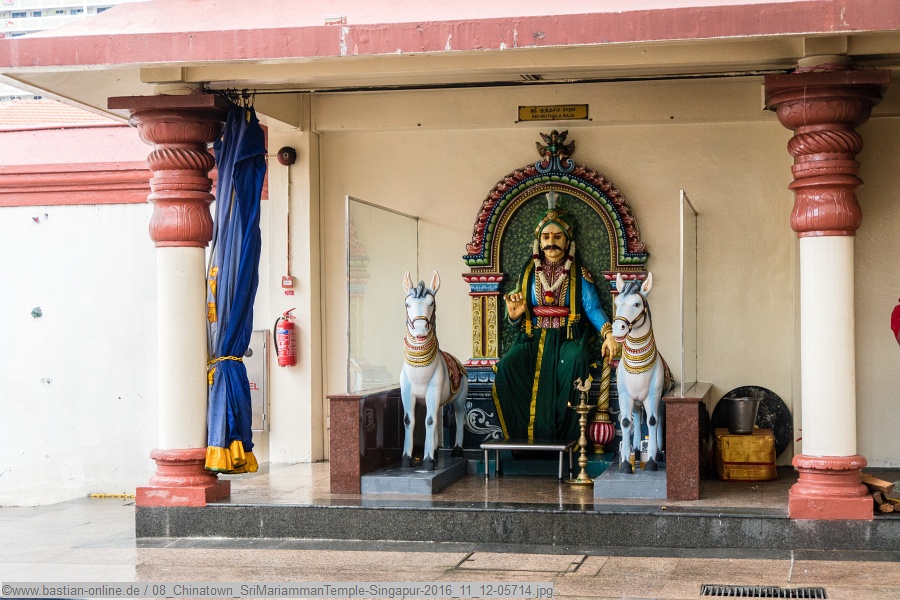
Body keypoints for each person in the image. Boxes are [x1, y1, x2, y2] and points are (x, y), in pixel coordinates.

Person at [492, 193, 619, 442]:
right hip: (533, 338)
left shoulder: (579, 273)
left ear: (567, 240)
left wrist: (608, 334)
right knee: (507, 367)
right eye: (546, 237)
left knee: (577, 358)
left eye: (557, 236)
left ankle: (564, 438)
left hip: (565, 339)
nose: (551, 242)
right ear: (539, 242)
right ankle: (521, 439)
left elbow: (593, 308)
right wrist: (515, 316)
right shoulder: (529, 273)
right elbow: (516, 310)